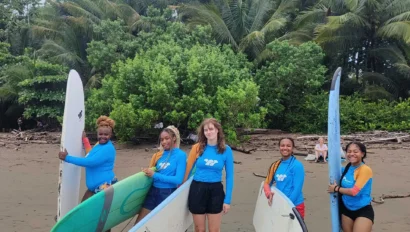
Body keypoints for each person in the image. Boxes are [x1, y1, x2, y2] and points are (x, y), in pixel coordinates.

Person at [184, 118, 234, 232]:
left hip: (215, 191)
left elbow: (230, 176)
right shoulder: (197, 148)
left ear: (217, 130)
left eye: (211, 129)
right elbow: (188, 170)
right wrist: (179, 188)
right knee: (199, 230)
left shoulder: (226, 150)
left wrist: (227, 200)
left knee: (214, 230)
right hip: (197, 189)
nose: (208, 132)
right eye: (206, 130)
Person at [134, 125, 187, 224]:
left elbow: (178, 180)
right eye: (162, 139)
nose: (163, 142)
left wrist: (154, 175)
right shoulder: (160, 155)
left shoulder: (181, 155)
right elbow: (154, 171)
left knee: (160, 225)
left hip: (167, 193)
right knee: (139, 224)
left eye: (167, 138)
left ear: (174, 138)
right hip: (153, 191)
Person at [328, 142, 374, 232]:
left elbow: (354, 192)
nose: (352, 154)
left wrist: (336, 189)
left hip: (363, 209)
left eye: (355, 151)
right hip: (346, 210)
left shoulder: (365, 170)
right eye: (349, 151)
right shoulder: (347, 168)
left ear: (362, 154)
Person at [263, 137, 305, 219]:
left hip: (295, 206)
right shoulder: (275, 165)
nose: (285, 148)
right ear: (279, 147)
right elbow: (266, 183)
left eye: (288, 146)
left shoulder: (297, 165)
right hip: (279, 204)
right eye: (282, 145)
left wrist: (286, 205)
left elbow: (297, 189)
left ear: (292, 148)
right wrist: (268, 194)